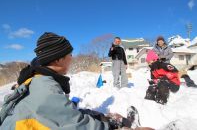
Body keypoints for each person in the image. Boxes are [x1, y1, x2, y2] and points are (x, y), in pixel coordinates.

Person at [0, 32, 154, 130]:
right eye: (69, 54)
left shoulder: (39, 80)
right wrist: (112, 127)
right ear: (59, 59)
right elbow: (77, 125)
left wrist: (101, 117)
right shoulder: (46, 90)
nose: (72, 58)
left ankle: (122, 122)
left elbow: (65, 114)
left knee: (95, 116)